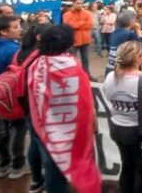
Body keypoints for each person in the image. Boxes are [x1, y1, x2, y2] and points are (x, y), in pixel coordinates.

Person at [26, 25, 102, 192]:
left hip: (44, 123)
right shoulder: (73, 66)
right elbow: (84, 99)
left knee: (50, 159)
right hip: (69, 124)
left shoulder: (36, 63)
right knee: (66, 160)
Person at [0, 16, 31, 179]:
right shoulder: (12, 49)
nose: (20, 29)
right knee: (17, 128)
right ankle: (18, 165)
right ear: (3, 31)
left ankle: (3, 164)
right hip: (12, 94)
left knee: (2, 129)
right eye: (15, 27)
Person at [102, 41, 142, 193]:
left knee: (127, 165)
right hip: (140, 131)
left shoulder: (111, 76)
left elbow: (107, 96)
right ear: (139, 57)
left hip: (117, 128)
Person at [17, 23, 53, 193]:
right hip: (39, 107)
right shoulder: (41, 56)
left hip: (26, 105)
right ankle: (47, 182)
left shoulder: (20, 52)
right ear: (39, 37)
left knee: (34, 143)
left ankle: (36, 180)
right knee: (46, 148)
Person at [106, 10, 142, 76]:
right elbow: (141, 47)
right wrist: (138, 30)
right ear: (131, 22)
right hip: (124, 70)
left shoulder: (114, 33)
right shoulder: (129, 34)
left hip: (110, 68)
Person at [63, 0, 93, 74]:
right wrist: (82, 22)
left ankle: (86, 74)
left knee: (85, 59)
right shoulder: (66, 14)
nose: (79, 5)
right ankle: (73, 74)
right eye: (77, 3)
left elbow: (89, 25)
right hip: (73, 40)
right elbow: (69, 26)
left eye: (81, 3)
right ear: (73, 4)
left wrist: (76, 25)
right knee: (72, 59)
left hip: (85, 40)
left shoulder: (87, 13)